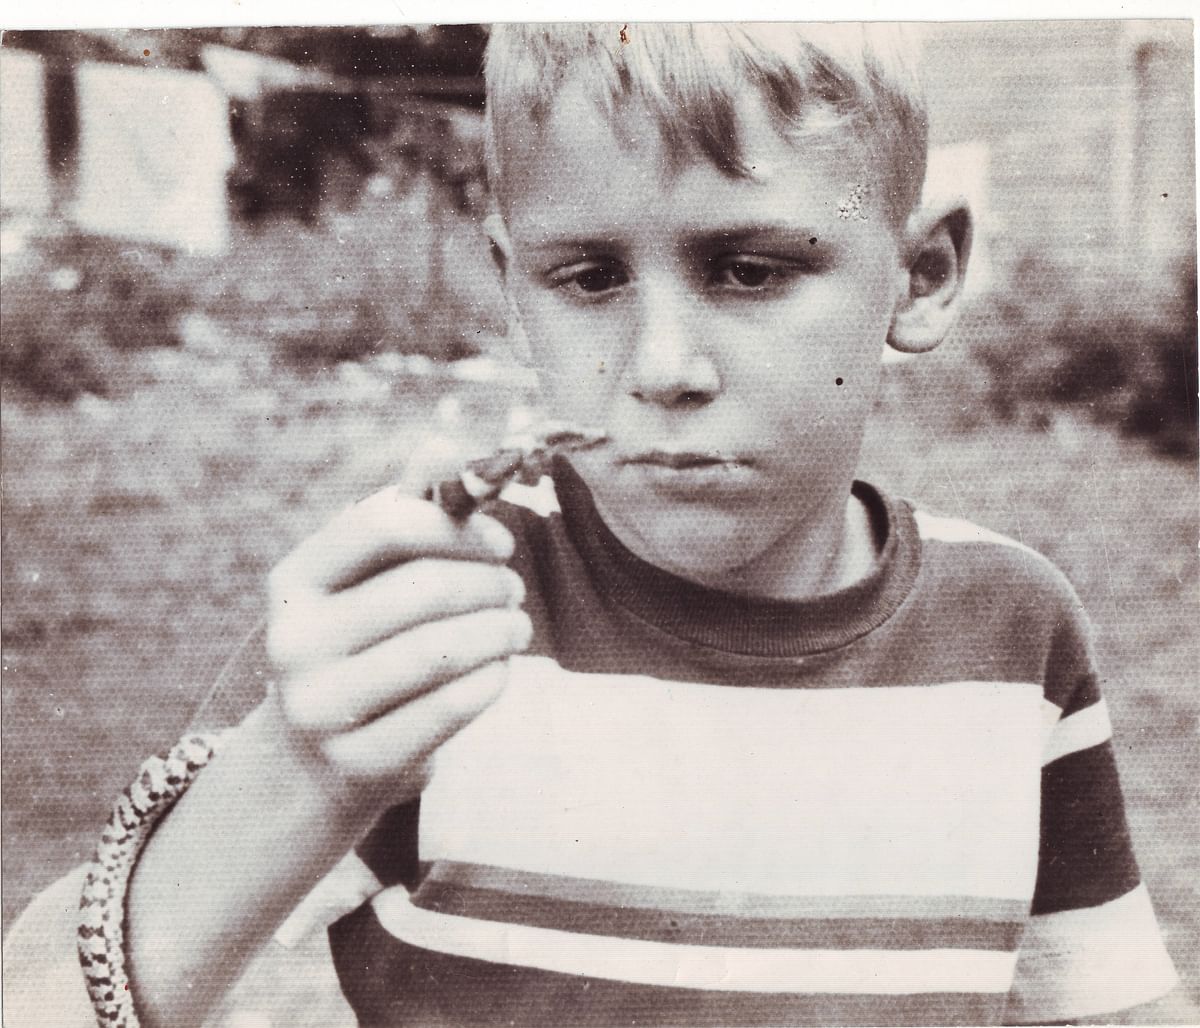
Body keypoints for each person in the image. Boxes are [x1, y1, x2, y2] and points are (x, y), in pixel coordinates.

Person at [5, 23, 1191, 1028]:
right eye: (589, 279)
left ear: (921, 275)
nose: (662, 367)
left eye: (750, 268)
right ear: (511, 283)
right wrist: (302, 765)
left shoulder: (1015, 626)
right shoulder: (443, 606)